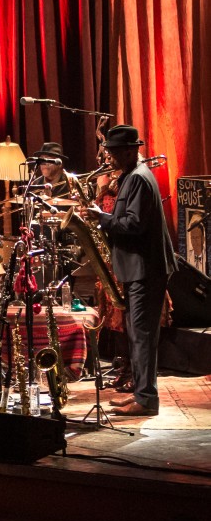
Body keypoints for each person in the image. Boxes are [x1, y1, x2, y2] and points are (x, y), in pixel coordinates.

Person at [93, 124, 179, 416]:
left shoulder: (139, 179)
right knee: (137, 335)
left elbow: (133, 224)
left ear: (131, 151)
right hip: (140, 268)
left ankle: (146, 400)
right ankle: (142, 395)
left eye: (115, 153)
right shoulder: (132, 176)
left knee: (141, 336)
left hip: (145, 269)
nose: (110, 158)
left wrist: (102, 218)